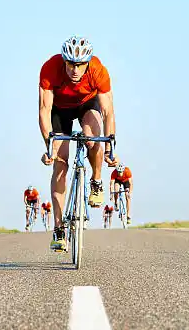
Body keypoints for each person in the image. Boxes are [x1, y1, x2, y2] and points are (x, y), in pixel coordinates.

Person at [39, 35, 119, 251]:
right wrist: (49, 145)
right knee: (60, 162)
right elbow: (45, 110)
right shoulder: (50, 68)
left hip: (87, 103)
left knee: (94, 139)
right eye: (71, 64)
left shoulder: (98, 71)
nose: (75, 70)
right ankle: (58, 229)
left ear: (87, 63)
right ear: (64, 61)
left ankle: (96, 180)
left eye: (80, 65)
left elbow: (108, 112)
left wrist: (111, 147)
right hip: (60, 109)